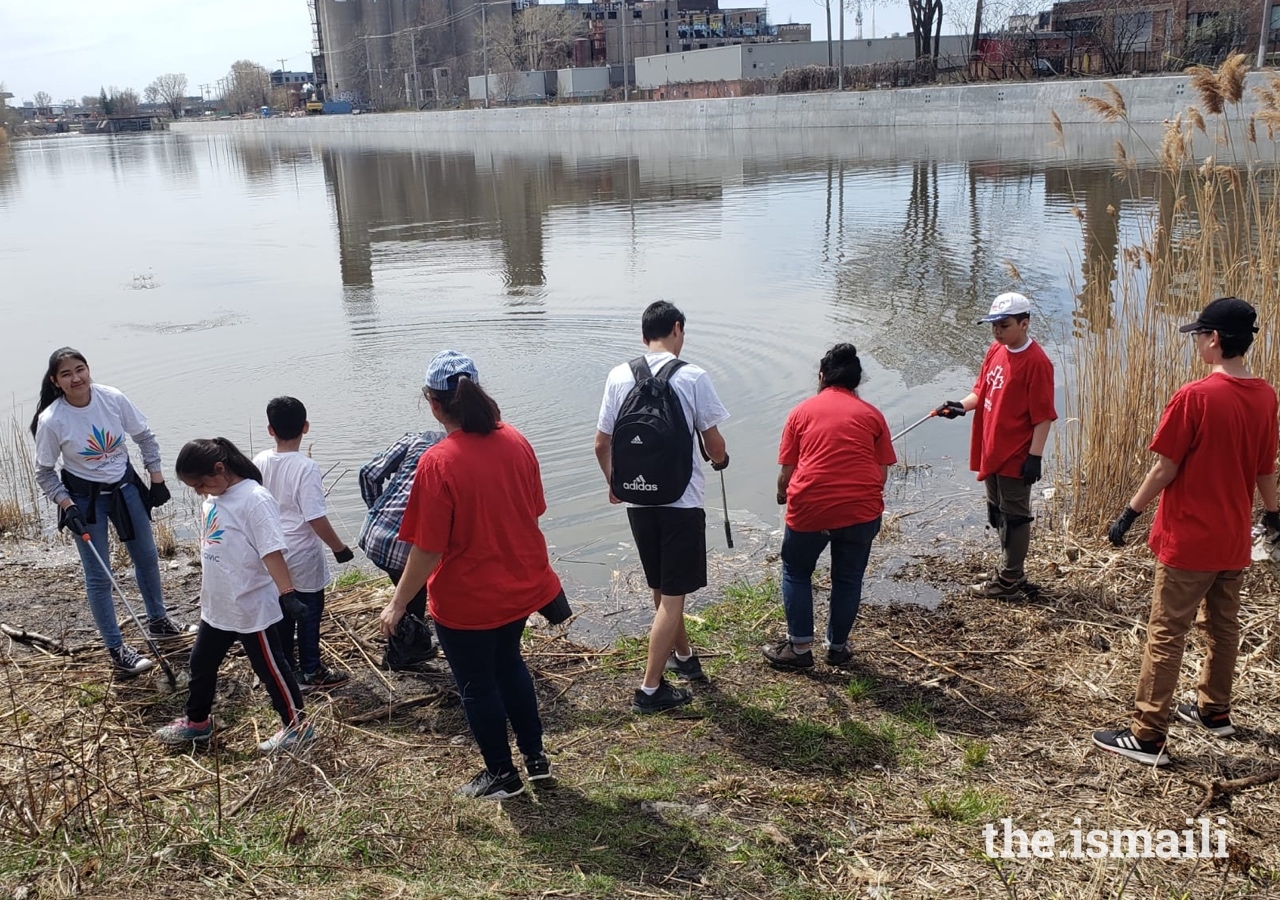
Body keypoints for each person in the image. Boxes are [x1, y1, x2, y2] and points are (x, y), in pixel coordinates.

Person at [1093, 297, 1279, 767]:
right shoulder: (1265, 395)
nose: (1196, 342)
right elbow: (1265, 469)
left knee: (1166, 631)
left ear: (1214, 340)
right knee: (1222, 627)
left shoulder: (1195, 396)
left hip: (1191, 539)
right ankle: (1214, 711)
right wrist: (1275, 515)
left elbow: (1164, 469)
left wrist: (1128, 515)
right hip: (1234, 540)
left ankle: (1148, 734)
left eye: (1199, 335)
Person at [378, 351, 562, 800]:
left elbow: (426, 549)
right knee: (510, 664)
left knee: (477, 686)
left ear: (433, 404)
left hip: (467, 600)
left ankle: (501, 774)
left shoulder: (438, 461)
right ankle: (535, 760)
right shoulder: (516, 440)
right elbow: (534, 508)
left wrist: (398, 604)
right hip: (519, 586)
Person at [594, 301, 730, 714]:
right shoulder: (692, 376)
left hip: (638, 497)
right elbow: (714, 443)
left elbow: (601, 443)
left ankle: (684, 658)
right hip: (682, 501)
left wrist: (615, 485)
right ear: (677, 329)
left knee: (662, 585)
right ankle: (650, 690)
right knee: (673, 596)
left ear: (642, 336)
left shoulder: (619, 375)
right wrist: (721, 460)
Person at [30, 347, 191, 676]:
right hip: (84, 500)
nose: (76, 378)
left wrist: (156, 479)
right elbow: (44, 473)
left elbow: (145, 437)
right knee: (100, 575)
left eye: (80, 369)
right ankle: (117, 650)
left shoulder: (112, 398)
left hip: (126, 489)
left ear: (89, 370)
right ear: (55, 381)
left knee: (146, 558)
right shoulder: (52, 420)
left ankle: (158, 621)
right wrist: (66, 505)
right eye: (66, 374)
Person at [156, 438, 312, 753]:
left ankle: (298, 727)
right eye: (194, 487)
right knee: (201, 662)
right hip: (218, 604)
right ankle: (197, 723)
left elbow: (271, 550)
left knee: (271, 668)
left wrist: (288, 593)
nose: (199, 490)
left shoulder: (253, 499)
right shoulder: (213, 498)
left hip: (250, 605)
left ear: (220, 468)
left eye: (201, 483)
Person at [764, 344, 896, 671]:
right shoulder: (873, 415)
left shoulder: (801, 412)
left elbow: (787, 473)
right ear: (857, 381)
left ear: (822, 377)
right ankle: (837, 647)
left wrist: (783, 494)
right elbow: (881, 473)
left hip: (811, 508)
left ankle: (799, 648)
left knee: (796, 570)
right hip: (861, 511)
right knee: (848, 579)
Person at [935, 292, 1057, 599]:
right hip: (991, 445)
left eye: (1004, 325)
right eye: (993, 325)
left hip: (1016, 452)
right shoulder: (995, 350)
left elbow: (1044, 417)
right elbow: (981, 392)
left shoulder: (1037, 363)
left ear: (1024, 324)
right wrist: (960, 407)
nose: (997, 331)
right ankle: (1009, 568)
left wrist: (1035, 458)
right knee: (997, 512)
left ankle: (1009, 582)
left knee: (1015, 515)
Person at [253, 396, 354, 691]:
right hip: (302, 555)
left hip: (273, 552)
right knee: (308, 613)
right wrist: (339, 548)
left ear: (270, 429)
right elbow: (315, 517)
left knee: (283, 611)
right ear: (306, 427)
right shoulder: (306, 467)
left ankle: (286, 666)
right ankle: (312, 671)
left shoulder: (259, 461)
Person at [358, 426, 447, 661]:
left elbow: (369, 473)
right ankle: (400, 654)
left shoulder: (416, 439)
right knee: (411, 596)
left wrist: (377, 509)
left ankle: (409, 643)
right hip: (405, 544)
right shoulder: (456, 457)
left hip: (374, 533)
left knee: (410, 593)